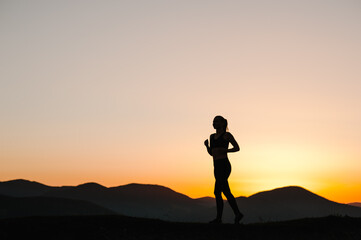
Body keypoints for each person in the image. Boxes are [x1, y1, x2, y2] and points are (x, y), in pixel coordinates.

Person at [204, 115, 243, 224]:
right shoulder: (211, 137)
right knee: (225, 191)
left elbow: (237, 148)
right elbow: (212, 153)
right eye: (213, 122)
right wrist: (207, 146)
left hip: (224, 165)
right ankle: (237, 214)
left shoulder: (227, 135)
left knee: (217, 191)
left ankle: (219, 219)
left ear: (222, 123)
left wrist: (226, 150)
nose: (214, 123)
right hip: (216, 166)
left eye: (216, 121)